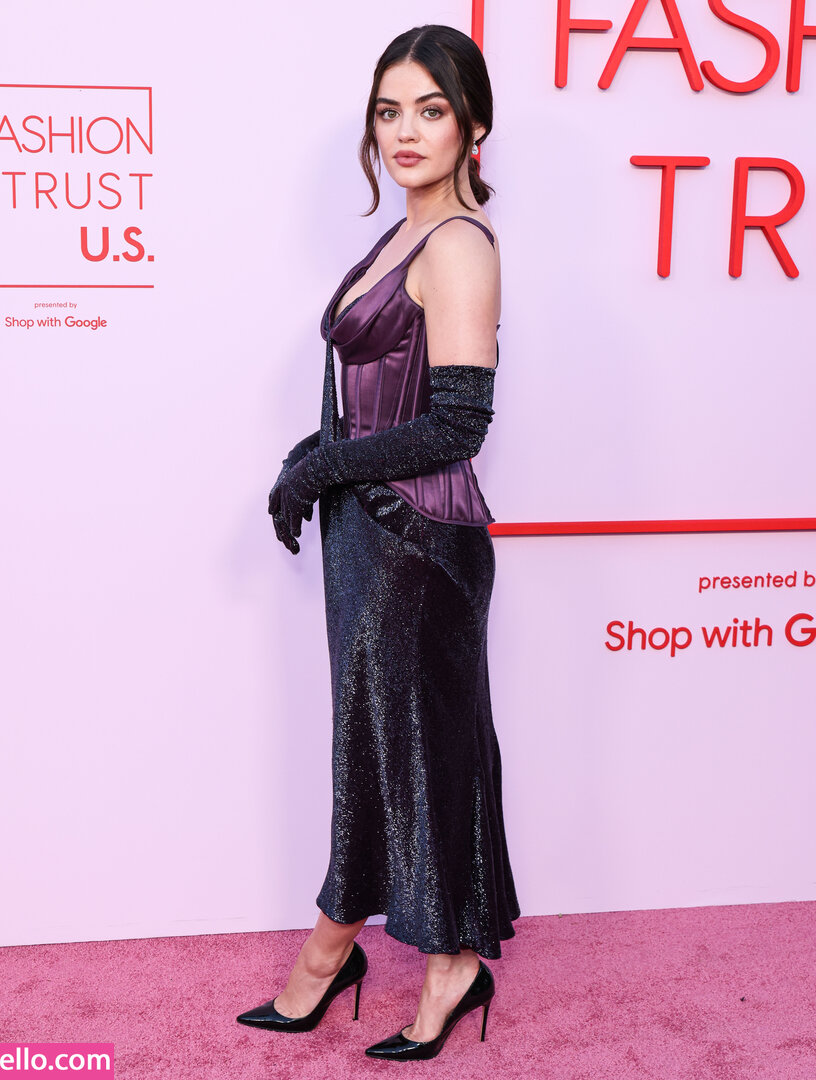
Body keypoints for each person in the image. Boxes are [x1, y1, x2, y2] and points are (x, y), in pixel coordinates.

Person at [237, 24, 520, 1061]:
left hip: (418, 544)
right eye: (389, 110)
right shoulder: (403, 235)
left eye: (431, 111)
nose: (405, 131)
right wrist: (313, 455)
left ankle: (405, 961)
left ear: (472, 126)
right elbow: (369, 403)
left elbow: (456, 426)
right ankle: (354, 952)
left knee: (407, 752)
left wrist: (321, 470)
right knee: (376, 747)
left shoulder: (459, 247)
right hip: (371, 535)